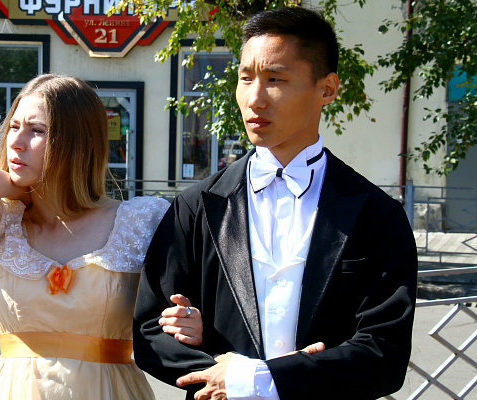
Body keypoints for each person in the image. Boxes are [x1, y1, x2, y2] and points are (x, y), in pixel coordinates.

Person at [133, 7, 418, 400]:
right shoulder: (196, 206)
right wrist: (199, 349)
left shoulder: (376, 215)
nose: (254, 98)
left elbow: (384, 353)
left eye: (275, 80)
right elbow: (150, 331)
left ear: (327, 89)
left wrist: (257, 379)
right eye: (245, 78)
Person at [0, 73, 198, 399]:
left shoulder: (141, 220)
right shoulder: (3, 222)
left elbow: (190, 303)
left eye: (36, 130)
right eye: (14, 127)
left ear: (80, 143)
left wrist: (191, 320)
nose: (17, 142)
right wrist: (23, 190)